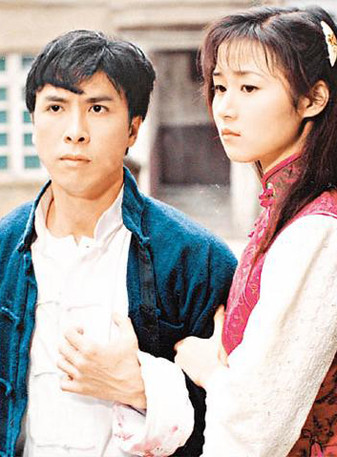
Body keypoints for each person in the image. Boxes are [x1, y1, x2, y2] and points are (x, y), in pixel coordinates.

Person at [174, 5, 337, 456]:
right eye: (220, 87)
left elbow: (256, 426)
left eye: (249, 87)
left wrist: (210, 370)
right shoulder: (297, 210)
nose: (225, 108)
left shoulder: (318, 228)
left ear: (313, 99)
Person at [0, 30, 237, 457]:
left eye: (97, 108)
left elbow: (240, 423)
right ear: (33, 121)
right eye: (55, 107)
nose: (75, 132)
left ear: (133, 129)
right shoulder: (3, 250)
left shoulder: (196, 260)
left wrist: (144, 387)